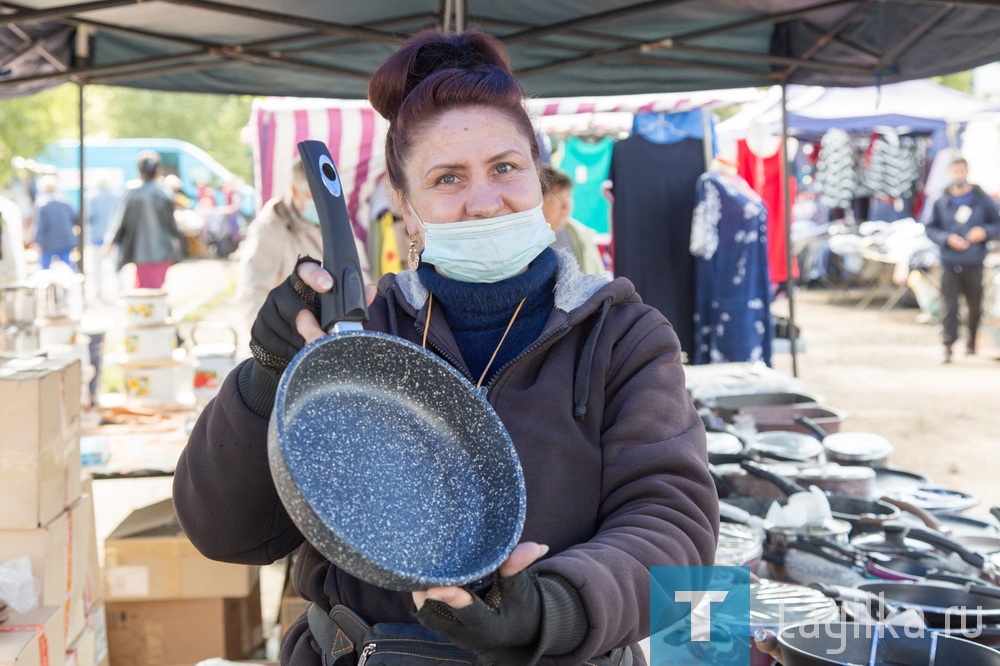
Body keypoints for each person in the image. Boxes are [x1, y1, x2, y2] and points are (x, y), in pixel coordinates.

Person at [173, 29, 717, 666]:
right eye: (448, 178)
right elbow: (225, 531)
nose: (485, 203)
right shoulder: (356, 341)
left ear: (539, 179)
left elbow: (674, 528)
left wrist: (551, 607)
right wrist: (266, 375)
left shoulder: (622, 335)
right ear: (406, 206)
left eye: (505, 169)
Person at [236, 159, 368, 326]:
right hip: (295, 338)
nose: (322, 205)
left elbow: (360, 272)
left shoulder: (337, 220)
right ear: (294, 191)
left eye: (327, 197)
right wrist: (274, 342)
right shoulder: (270, 230)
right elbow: (253, 293)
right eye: (314, 198)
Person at [923, 156, 1000, 363]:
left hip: (974, 262)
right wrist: (947, 238)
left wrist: (983, 232)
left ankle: (971, 341)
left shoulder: (981, 198)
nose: (959, 176)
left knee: (975, 305)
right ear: (949, 174)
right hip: (949, 262)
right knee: (949, 307)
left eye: (962, 171)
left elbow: (997, 224)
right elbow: (929, 228)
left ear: (967, 172)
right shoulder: (941, 201)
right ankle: (948, 346)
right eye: (955, 172)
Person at [104, 150, 184, 289]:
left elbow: (120, 220)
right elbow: (172, 224)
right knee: (153, 289)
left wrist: (111, 241)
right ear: (158, 170)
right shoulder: (164, 192)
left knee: (144, 291)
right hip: (163, 249)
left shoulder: (132, 192)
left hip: (141, 251)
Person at [540, 165, 607, 276]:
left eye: (569, 197)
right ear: (539, 202)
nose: (566, 206)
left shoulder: (580, 236)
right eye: (560, 198)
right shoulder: (527, 243)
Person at [32, 174, 78, 271]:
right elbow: (74, 219)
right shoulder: (65, 202)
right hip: (65, 239)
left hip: (49, 242)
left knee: (45, 267)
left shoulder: (42, 204)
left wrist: (36, 241)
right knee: (68, 265)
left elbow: (41, 225)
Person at [85, 173, 120, 300]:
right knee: (117, 265)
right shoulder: (116, 196)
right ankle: (121, 290)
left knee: (97, 267)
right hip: (113, 236)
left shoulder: (91, 197)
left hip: (96, 236)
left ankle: (98, 292)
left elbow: (88, 216)